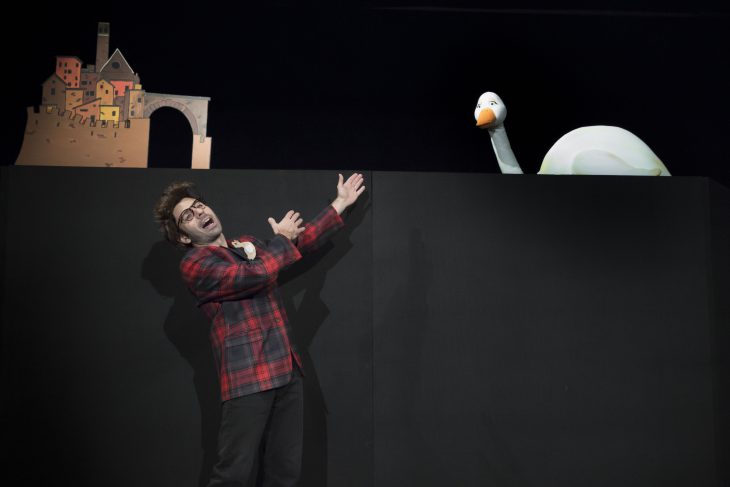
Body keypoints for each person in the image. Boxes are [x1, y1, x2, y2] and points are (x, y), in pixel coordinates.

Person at [153, 173, 365, 486]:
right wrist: (281, 241)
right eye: (188, 216)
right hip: (248, 376)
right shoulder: (195, 263)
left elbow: (299, 244)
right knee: (234, 474)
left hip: (287, 368)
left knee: (285, 471)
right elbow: (255, 274)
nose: (199, 213)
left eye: (199, 206)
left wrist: (340, 204)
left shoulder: (248, 244)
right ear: (184, 237)